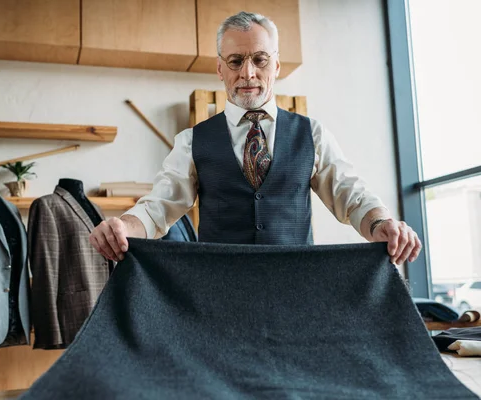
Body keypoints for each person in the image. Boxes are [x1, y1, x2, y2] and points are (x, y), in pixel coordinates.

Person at [89, 11, 422, 266]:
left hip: (296, 287)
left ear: (275, 65)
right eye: (235, 61)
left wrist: (382, 223)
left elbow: (351, 195)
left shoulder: (313, 134)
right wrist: (124, 226)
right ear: (221, 69)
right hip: (218, 290)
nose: (247, 73)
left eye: (260, 59)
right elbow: (159, 206)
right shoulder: (192, 140)